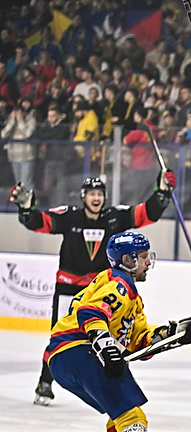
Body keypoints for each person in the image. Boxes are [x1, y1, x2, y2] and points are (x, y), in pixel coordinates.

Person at [46, 231, 191, 432]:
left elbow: (139, 340)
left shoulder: (129, 294)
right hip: (79, 349)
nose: (148, 262)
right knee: (132, 415)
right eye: (143, 257)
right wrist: (106, 346)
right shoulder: (119, 284)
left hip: (61, 359)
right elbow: (90, 314)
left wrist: (176, 332)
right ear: (127, 260)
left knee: (117, 414)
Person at [9, 172, 176, 406]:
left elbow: (146, 214)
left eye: (99, 194)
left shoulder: (114, 217)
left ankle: (105, 378)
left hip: (98, 290)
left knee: (106, 335)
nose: (96, 198)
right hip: (68, 289)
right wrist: (27, 210)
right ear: (83, 197)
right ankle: (45, 382)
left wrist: (162, 192)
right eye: (91, 194)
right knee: (61, 335)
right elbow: (42, 223)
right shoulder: (70, 216)